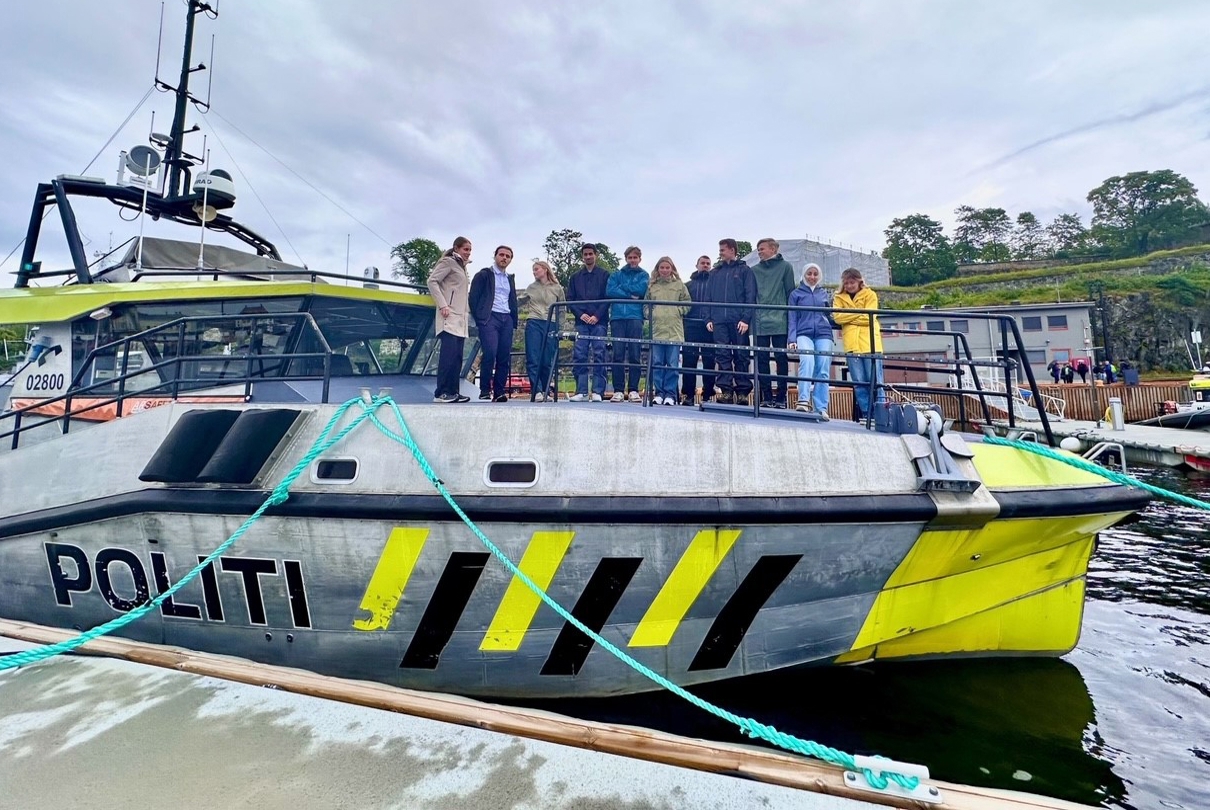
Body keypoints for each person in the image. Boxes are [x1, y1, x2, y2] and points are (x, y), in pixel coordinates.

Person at [705, 238, 757, 405]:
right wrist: (708, 318)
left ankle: (743, 391)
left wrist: (745, 318)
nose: (720, 252)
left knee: (741, 355)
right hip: (719, 320)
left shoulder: (745, 271)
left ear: (732, 250)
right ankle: (726, 390)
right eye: (720, 249)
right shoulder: (714, 273)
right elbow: (708, 297)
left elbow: (750, 296)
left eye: (723, 249)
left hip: (738, 321)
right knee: (722, 355)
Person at [468, 245, 520, 402]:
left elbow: (512, 300)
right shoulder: (484, 275)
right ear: (495, 256)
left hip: (506, 318)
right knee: (490, 353)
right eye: (501, 255)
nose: (504, 258)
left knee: (504, 356)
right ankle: (484, 389)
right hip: (490, 318)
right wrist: (481, 318)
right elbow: (473, 298)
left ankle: (499, 392)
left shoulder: (509, 278)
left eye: (508, 256)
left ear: (510, 259)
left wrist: (513, 318)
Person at [833, 267, 885, 420]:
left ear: (859, 281)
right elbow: (837, 318)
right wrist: (859, 315)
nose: (849, 286)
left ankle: (881, 413)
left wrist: (849, 316)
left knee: (876, 382)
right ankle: (867, 415)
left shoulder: (870, 294)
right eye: (847, 283)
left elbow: (870, 317)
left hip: (870, 344)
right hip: (852, 345)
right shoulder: (838, 297)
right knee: (859, 383)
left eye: (852, 282)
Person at [426, 237, 473, 403]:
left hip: (460, 318)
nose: (468, 253)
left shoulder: (462, 267)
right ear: (456, 248)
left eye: (469, 250)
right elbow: (432, 281)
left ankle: (453, 391)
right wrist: (443, 305)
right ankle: (441, 392)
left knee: (457, 357)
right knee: (448, 355)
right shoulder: (448, 262)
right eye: (465, 249)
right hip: (449, 315)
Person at [750, 238, 796, 408]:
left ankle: (781, 397)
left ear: (773, 249)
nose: (759, 252)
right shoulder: (754, 270)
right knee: (761, 359)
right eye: (758, 249)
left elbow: (790, 292)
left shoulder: (786, 267)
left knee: (781, 359)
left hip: (780, 320)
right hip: (760, 321)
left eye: (762, 249)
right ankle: (766, 396)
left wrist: (790, 319)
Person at [787, 263, 833, 419]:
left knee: (823, 367)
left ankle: (821, 407)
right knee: (807, 361)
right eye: (809, 274)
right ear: (804, 275)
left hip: (823, 333)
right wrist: (791, 338)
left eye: (815, 274)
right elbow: (792, 318)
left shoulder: (824, 294)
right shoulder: (795, 294)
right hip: (803, 332)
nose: (812, 277)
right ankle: (803, 401)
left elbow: (829, 315)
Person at [566, 243, 610, 401]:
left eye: (591, 253)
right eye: (585, 254)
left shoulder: (605, 275)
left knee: (600, 353)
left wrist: (597, 316)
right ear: (582, 256)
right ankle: (582, 391)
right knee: (580, 355)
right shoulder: (575, 277)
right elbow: (570, 299)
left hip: (600, 322)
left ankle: (598, 391)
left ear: (596, 255)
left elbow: (607, 298)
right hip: (581, 322)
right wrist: (581, 314)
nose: (588, 256)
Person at [605, 246, 650, 402]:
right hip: (617, 317)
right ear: (626, 258)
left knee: (634, 354)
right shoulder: (616, 274)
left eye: (635, 257)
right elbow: (610, 291)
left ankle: (633, 390)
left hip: (635, 317)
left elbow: (641, 289)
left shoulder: (644, 275)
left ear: (639, 259)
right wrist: (630, 294)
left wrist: (623, 288)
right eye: (630, 257)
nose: (632, 260)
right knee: (617, 354)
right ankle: (618, 390)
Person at [645, 256, 691, 405]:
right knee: (657, 363)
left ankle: (671, 394)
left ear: (672, 269)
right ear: (657, 269)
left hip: (674, 330)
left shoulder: (679, 285)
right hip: (657, 330)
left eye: (667, 267)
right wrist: (650, 314)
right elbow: (645, 305)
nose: (664, 270)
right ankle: (659, 393)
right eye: (662, 267)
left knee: (672, 364)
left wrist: (679, 311)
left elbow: (687, 302)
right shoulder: (652, 286)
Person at [523, 260, 565, 401]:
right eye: (533, 270)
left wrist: (561, 327)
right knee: (533, 357)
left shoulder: (557, 288)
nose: (534, 272)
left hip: (551, 322)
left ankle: (546, 388)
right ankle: (537, 390)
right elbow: (519, 300)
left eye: (536, 269)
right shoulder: (531, 288)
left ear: (545, 270)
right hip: (534, 321)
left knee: (547, 359)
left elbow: (562, 309)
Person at [680, 255, 716, 405]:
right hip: (691, 325)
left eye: (708, 263)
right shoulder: (688, 285)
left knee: (709, 361)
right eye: (703, 263)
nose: (705, 265)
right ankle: (688, 394)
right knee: (689, 361)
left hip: (709, 326)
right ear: (697, 265)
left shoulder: (715, 284)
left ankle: (708, 394)